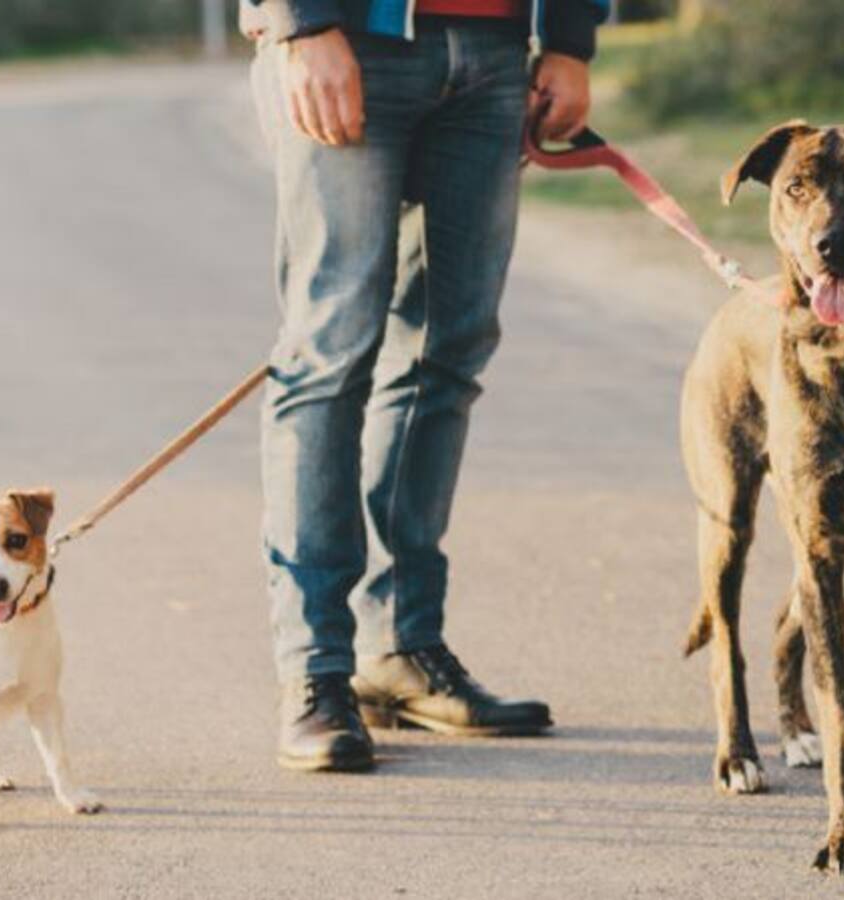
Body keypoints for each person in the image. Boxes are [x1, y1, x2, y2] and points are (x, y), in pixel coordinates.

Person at [241, 0, 606, 771]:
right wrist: (300, 23)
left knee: (449, 347)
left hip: (498, 51)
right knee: (331, 354)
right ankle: (315, 670)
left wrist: (571, 38)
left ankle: (399, 646)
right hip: (348, 38)